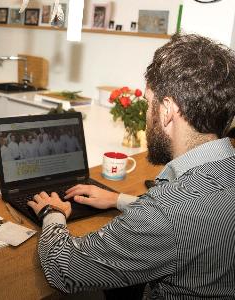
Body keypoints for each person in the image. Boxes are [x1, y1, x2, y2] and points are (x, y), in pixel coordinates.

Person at [28, 33, 235, 298]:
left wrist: (51, 212)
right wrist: (119, 199)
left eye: (149, 103)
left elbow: (63, 270)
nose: (147, 114)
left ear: (167, 110)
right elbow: (188, 222)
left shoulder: (164, 213)